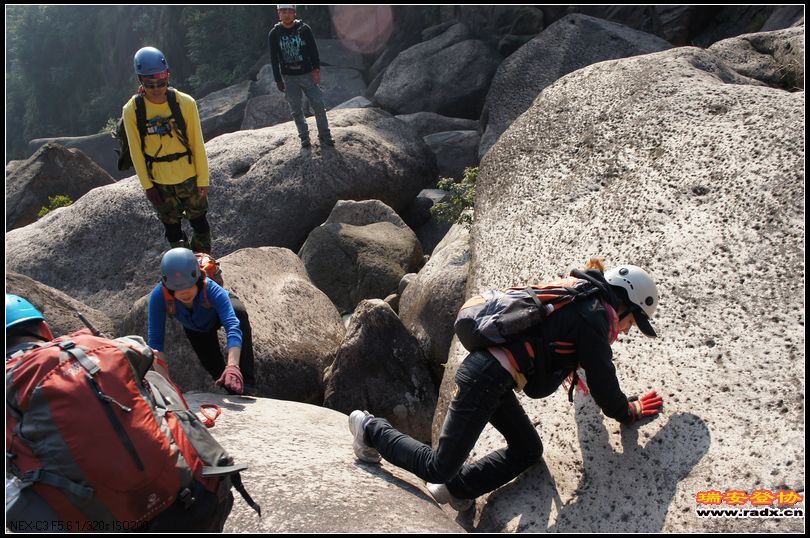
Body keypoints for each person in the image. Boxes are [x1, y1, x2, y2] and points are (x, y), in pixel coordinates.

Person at [348, 259, 664, 510]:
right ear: (625, 304)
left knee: (528, 449)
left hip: (496, 378)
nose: (624, 331)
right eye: (631, 322)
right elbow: (606, 389)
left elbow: (563, 351)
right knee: (438, 467)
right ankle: (370, 429)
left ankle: (461, 488)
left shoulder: (583, 299)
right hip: (484, 378)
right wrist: (628, 412)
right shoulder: (594, 317)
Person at [124, 46, 212, 253]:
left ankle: (202, 265)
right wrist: (147, 186)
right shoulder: (133, 110)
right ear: (141, 81)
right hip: (159, 181)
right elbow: (136, 151)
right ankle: (181, 266)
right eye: (150, 84)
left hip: (188, 176)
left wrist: (203, 179)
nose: (156, 89)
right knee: (172, 229)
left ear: (168, 78)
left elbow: (197, 143)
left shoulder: (185, 103)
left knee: (199, 224)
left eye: (161, 83)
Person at [148, 248, 255, 395]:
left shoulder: (210, 288)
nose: (184, 293)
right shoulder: (159, 296)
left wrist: (233, 367)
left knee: (238, 312)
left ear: (198, 279)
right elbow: (155, 343)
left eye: (188, 286)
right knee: (216, 370)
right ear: (168, 286)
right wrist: (163, 383)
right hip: (196, 328)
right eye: (178, 290)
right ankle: (231, 389)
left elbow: (232, 326)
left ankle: (248, 384)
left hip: (215, 313)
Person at [268, 4, 335, 148]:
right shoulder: (274, 33)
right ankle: (304, 137)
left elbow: (313, 51)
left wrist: (316, 70)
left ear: (294, 13)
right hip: (289, 77)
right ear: (279, 13)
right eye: (283, 11)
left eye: (289, 11)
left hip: (307, 74)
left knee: (318, 104)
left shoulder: (304, 29)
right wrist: (278, 79)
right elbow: (274, 58)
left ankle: (325, 134)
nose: (286, 14)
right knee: (296, 109)